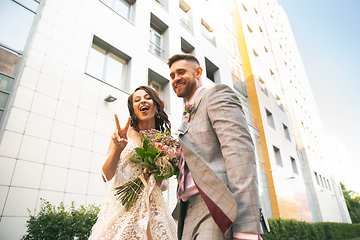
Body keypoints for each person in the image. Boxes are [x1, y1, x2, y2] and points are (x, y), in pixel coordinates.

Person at [168, 54, 268, 240]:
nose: (175, 79)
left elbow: (240, 156)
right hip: (187, 211)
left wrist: (246, 228)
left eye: (181, 72)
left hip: (215, 204)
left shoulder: (216, 94)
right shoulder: (186, 115)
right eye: (172, 75)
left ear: (198, 72)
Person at [89, 86, 177, 240]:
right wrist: (117, 149)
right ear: (134, 110)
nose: (142, 101)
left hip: (152, 210)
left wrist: (157, 176)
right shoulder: (123, 134)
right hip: (123, 208)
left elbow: (164, 186)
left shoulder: (164, 142)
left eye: (147, 97)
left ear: (156, 106)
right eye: (137, 100)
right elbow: (106, 175)